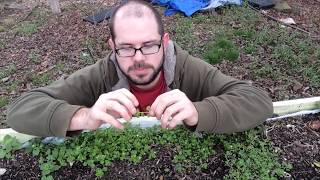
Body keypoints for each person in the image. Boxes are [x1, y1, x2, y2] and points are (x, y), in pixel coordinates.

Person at [7, 0, 273, 137]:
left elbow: (257, 101)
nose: (138, 58)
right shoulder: (103, 73)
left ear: (164, 41)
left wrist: (198, 112)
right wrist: (84, 117)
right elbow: (21, 110)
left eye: (149, 45)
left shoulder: (185, 66)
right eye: (126, 48)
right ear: (112, 46)